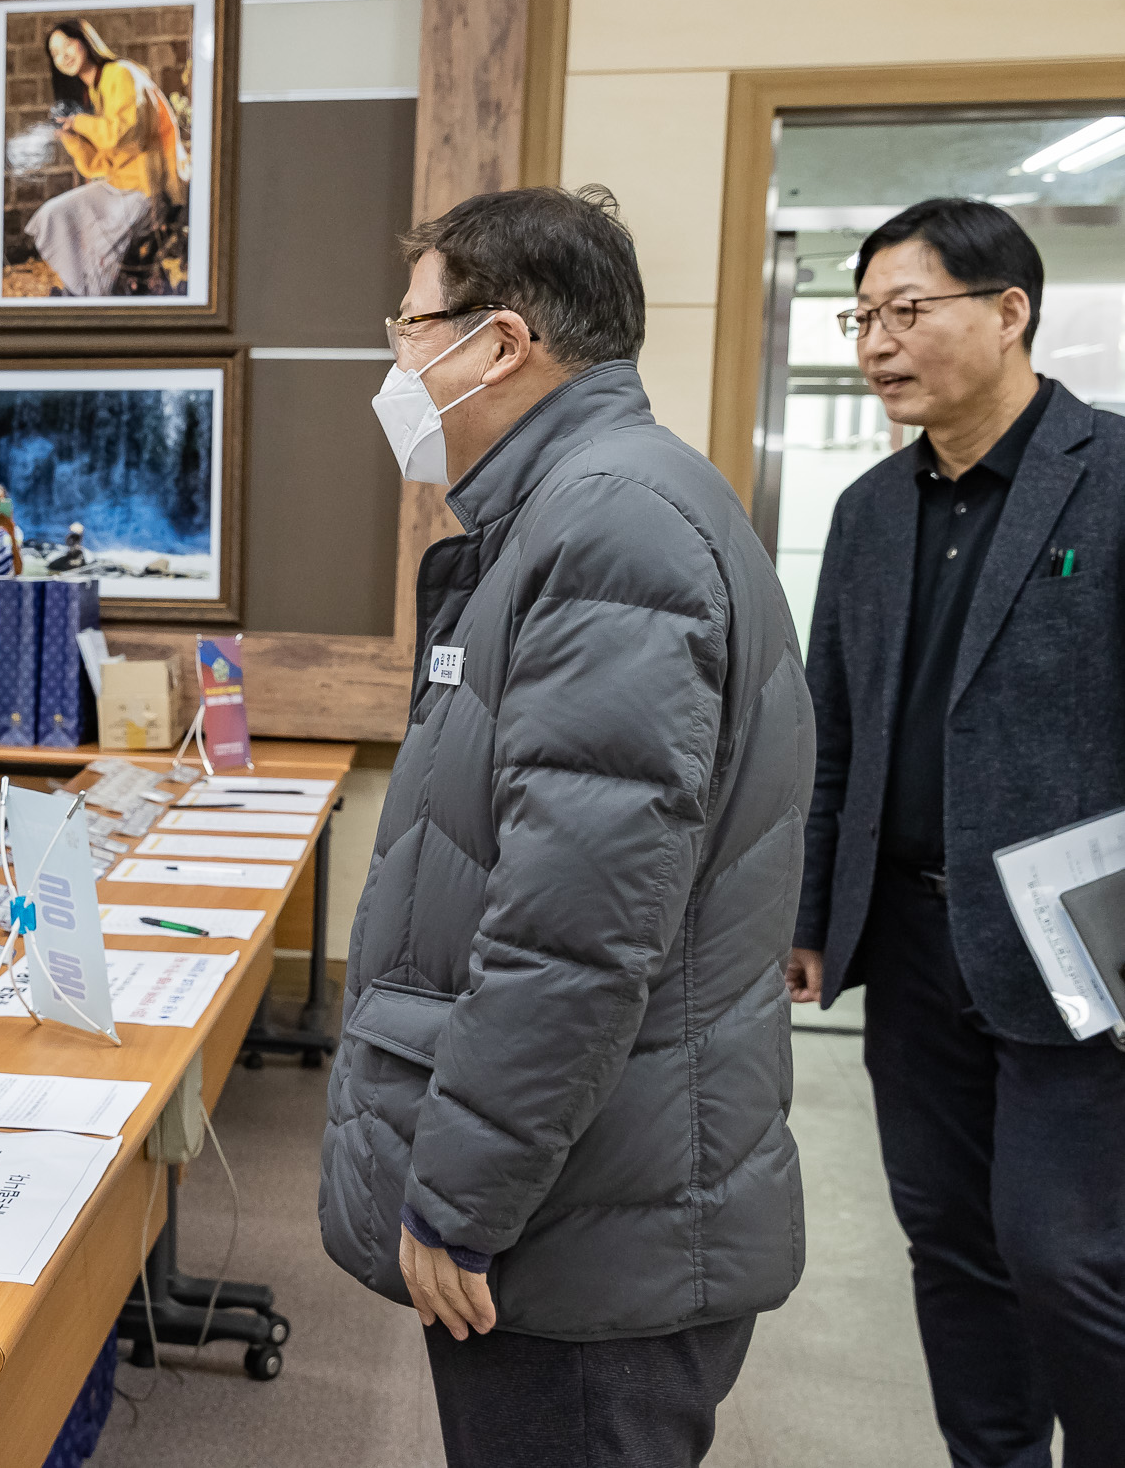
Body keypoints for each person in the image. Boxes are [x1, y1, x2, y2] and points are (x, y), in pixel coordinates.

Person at [316, 186, 811, 1468]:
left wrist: (459, 1199)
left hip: (589, 1230)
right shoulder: (582, 509)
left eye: (409, 327)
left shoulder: (608, 529)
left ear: (500, 339)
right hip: (601, 1191)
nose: (396, 363)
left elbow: (571, 931)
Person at [793, 197, 1125, 1467]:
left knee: (1064, 1255)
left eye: (905, 311)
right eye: (863, 315)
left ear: (1007, 311)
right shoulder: (873, 511)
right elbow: (834, 729)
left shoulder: (1108, 476)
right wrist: (814, 912)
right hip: (916, 938)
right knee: (948, 1245)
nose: (877, 342)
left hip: (1077, 955)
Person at [24, 18, 188, 298]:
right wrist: (70, 137)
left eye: (67, 45)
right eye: (55, 53)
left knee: (95, 247)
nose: (63, 56)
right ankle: (84, 292)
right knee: (54, 214)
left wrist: (80, 123)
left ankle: (89, 296)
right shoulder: (95, 91)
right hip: (121, 184)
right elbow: (100, 164)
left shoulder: (120, 73)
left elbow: (123, 135)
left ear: (85, 40)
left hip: (148, 186)